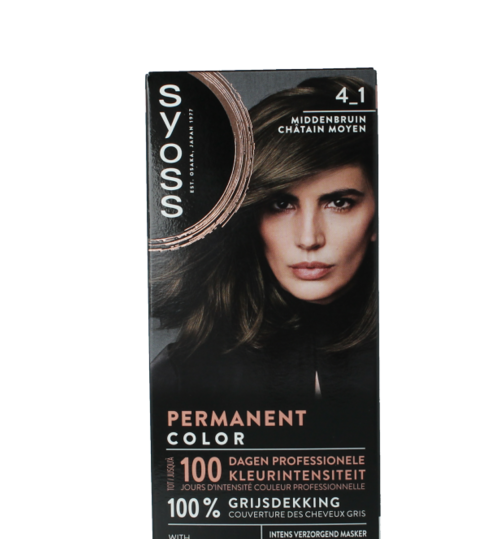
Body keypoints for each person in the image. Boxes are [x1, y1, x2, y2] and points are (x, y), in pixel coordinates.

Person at [150, 76, 378, 411]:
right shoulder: (184, 376)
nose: (308, 239)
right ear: (250, 216)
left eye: (339, 203)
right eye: (281, 204)